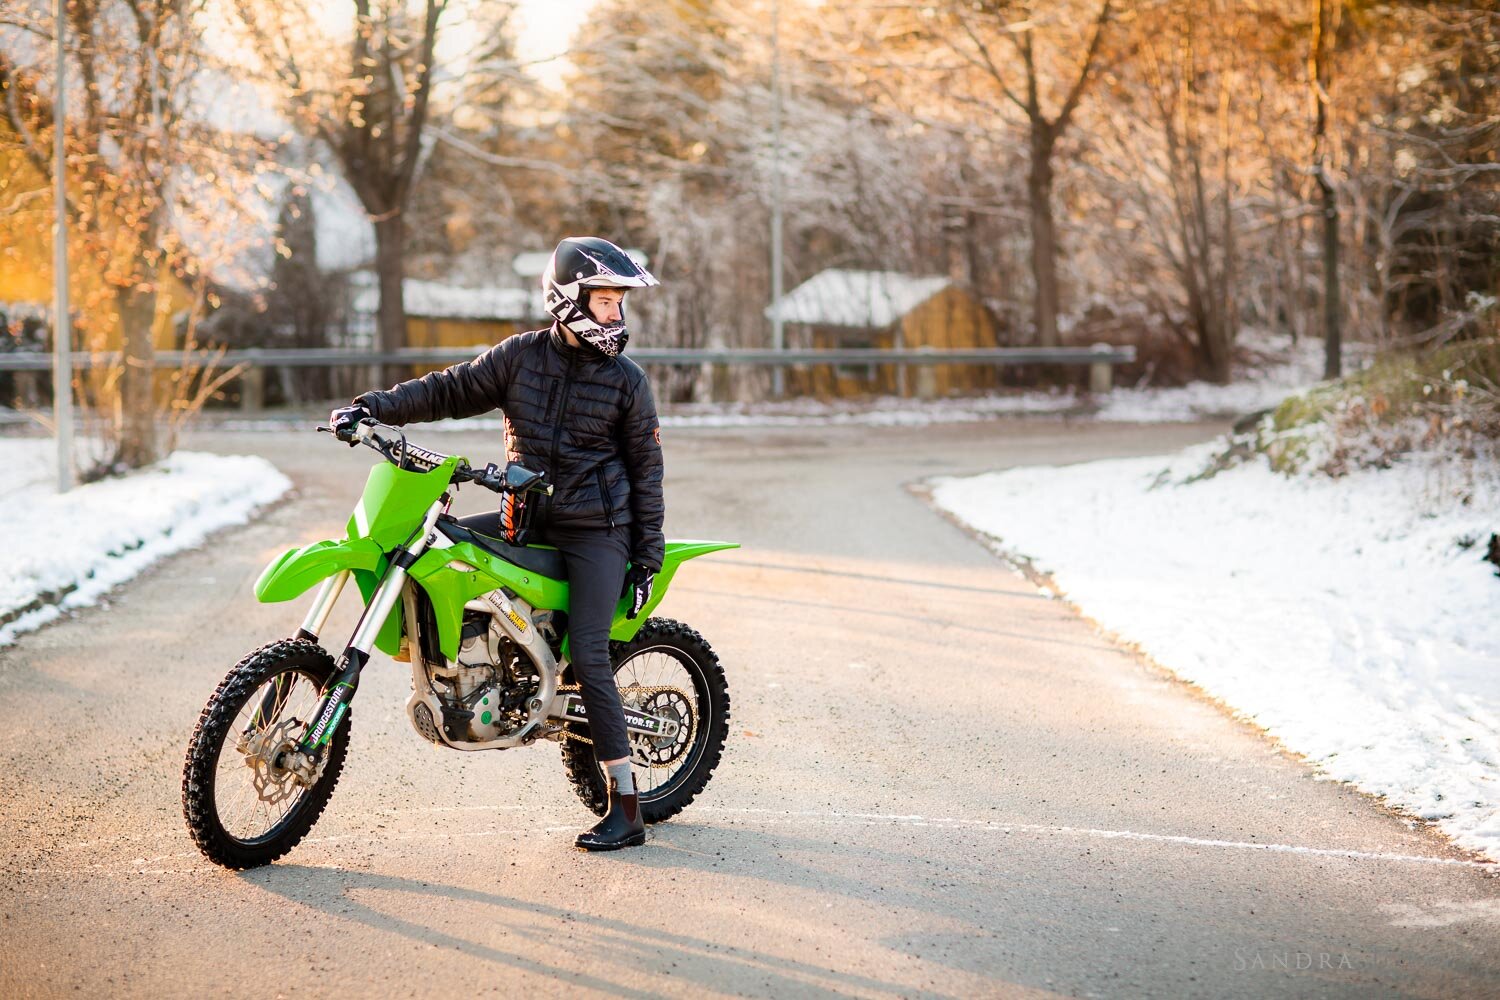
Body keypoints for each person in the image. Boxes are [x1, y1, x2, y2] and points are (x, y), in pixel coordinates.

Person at [329, 236, 664, 852]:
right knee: (433, 546)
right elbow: (447, 389)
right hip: (526, 519)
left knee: (589, 654)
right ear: (569, 299)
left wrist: (647, 554)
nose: (616, 316)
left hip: (599, 530)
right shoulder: (520, 358)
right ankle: (472, 672)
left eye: (620, 304)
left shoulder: (627, 382)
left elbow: (646, 469)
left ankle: (627, 803)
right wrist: (371, 409)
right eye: (607, 302)